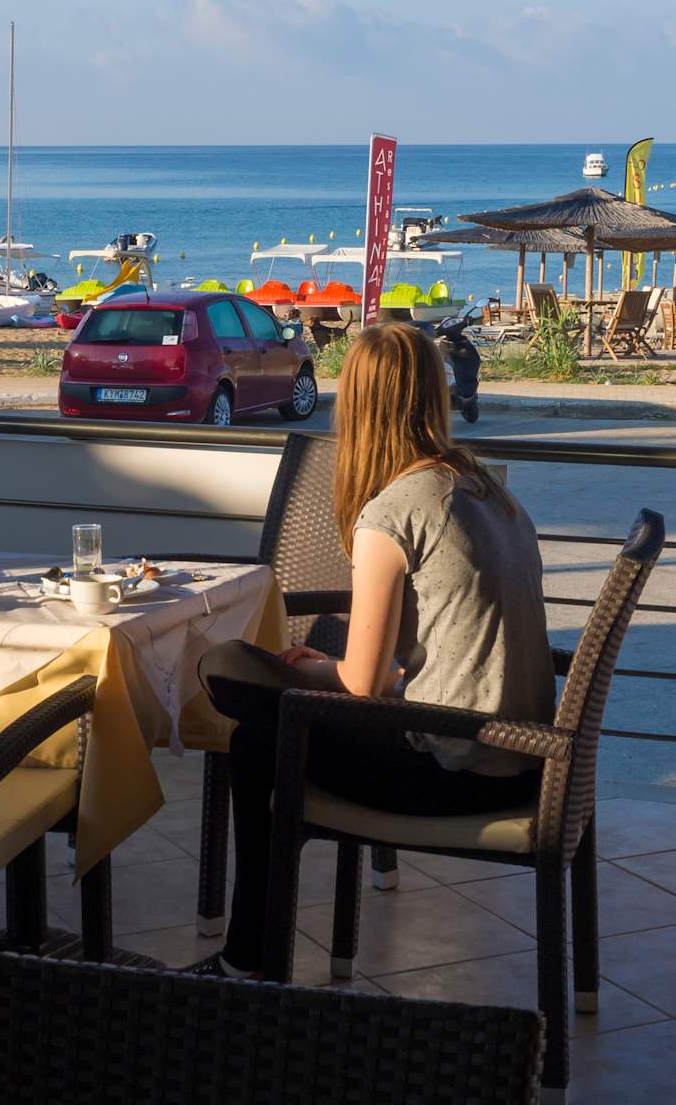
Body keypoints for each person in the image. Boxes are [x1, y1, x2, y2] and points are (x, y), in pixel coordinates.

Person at [188, 322, 555, 978]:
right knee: (265, 712)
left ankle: (248, 962)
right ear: (430, 396)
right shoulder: (486, 490)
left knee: (241, 710)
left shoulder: (394, 513)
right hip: (526, 760)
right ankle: (250, 958)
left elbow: (361, 684)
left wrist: (317, 670)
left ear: (356, 406)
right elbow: (447, 649)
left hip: (454, 769)